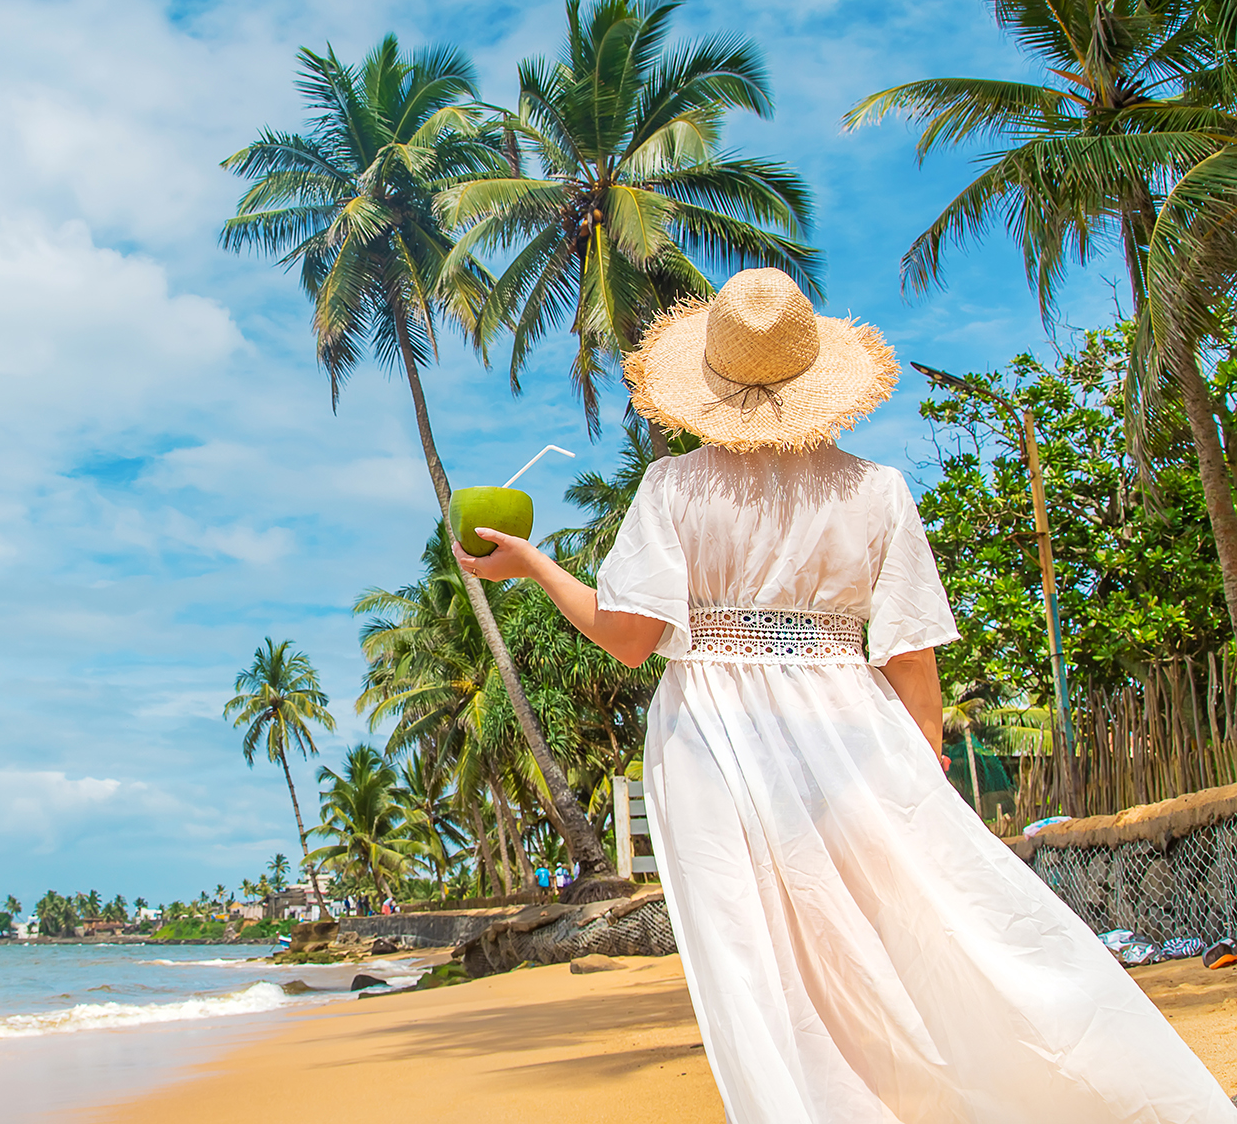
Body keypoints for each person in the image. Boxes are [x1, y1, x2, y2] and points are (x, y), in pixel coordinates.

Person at [454, 268, 1235, 1123]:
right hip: (853, 725)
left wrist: (530, 563)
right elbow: (908, 656)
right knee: (926, 928)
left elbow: (629, 638)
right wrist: (924, 758)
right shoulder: (878, 490)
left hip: (711, 735)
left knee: (759, 963)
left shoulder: (673, 488)